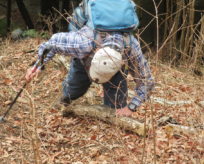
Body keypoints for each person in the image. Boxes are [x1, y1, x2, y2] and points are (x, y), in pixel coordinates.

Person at [25, 25, 154, 117]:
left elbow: (147, 82)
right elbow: (50, 44)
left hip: (116, 73)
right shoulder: (83, 43)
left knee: (116, 110)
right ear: (97, 51)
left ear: (121, 61)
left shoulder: (131, 49)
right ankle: (64, 98)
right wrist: (38, 66)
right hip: (84, 62)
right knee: (73, 89)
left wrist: (132, 106)